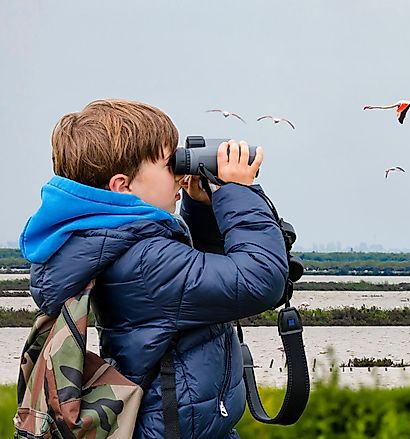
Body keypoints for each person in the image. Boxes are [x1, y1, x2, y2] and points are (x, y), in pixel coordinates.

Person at [19, 99, 288, 438]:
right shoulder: (147, 261)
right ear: (122, 186)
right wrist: (238, 193)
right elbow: (259, 279)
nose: (178, 172)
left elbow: (199, 280)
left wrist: (203, 211)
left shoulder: (115, 245)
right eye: (167, 163)